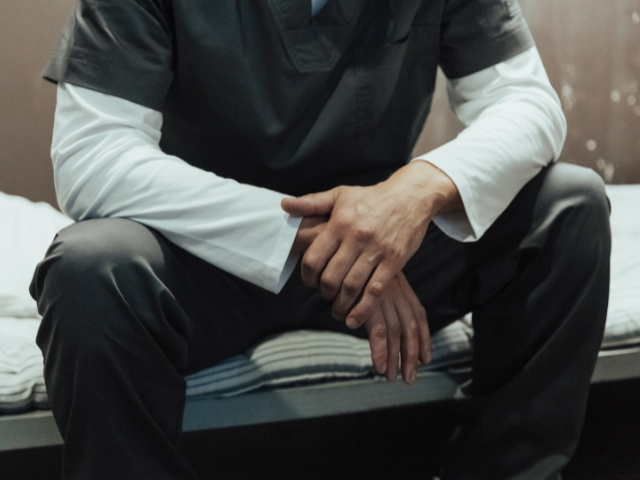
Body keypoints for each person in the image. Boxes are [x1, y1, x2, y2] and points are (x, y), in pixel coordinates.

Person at [30, 0, 611, 478]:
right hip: (206, 255)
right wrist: (310, 237)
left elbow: (529, 103)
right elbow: (93, 157)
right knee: (90, 267)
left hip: (388, 254)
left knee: (568, 205)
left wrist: (415, 193)